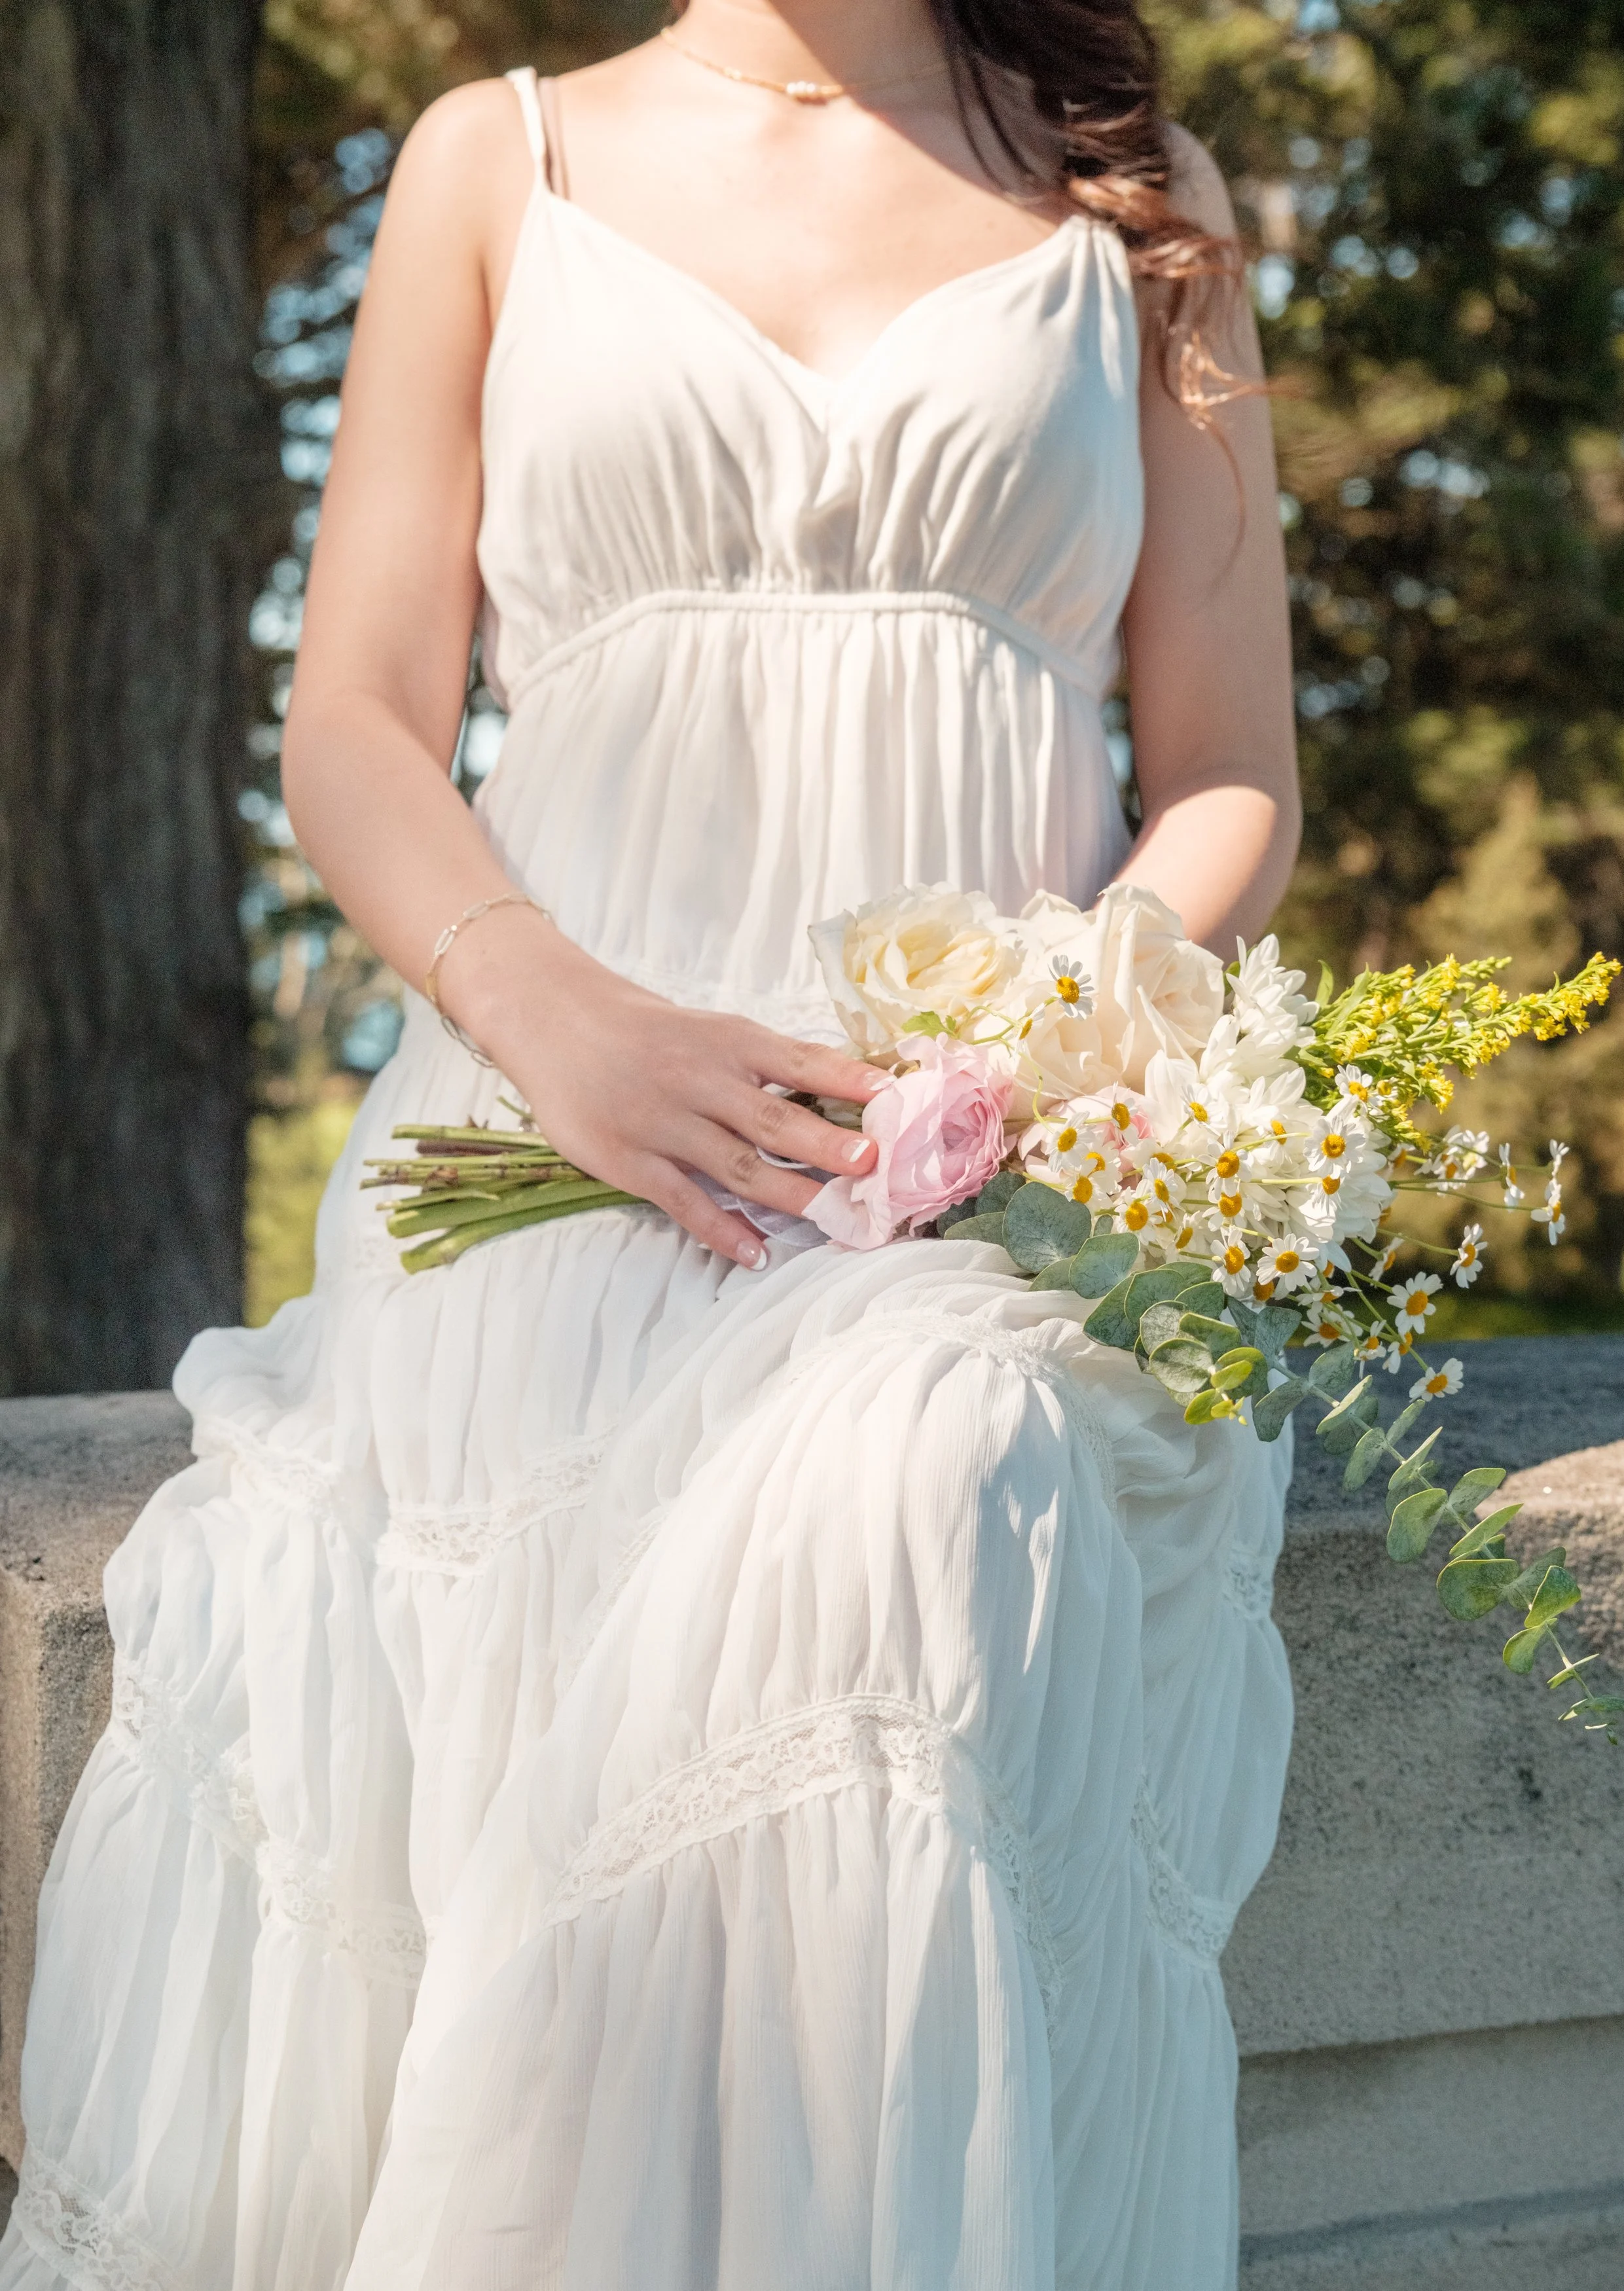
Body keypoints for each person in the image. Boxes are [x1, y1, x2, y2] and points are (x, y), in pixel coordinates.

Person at [0, 1, 1301, 2284]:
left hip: (976, 1163)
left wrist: (1041, 1046)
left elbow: (1228, 776)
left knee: (936, 1469)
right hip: (551, 1135)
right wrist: (562, 1025)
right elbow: (356, 717)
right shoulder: (496, 160)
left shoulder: (1137, 201)